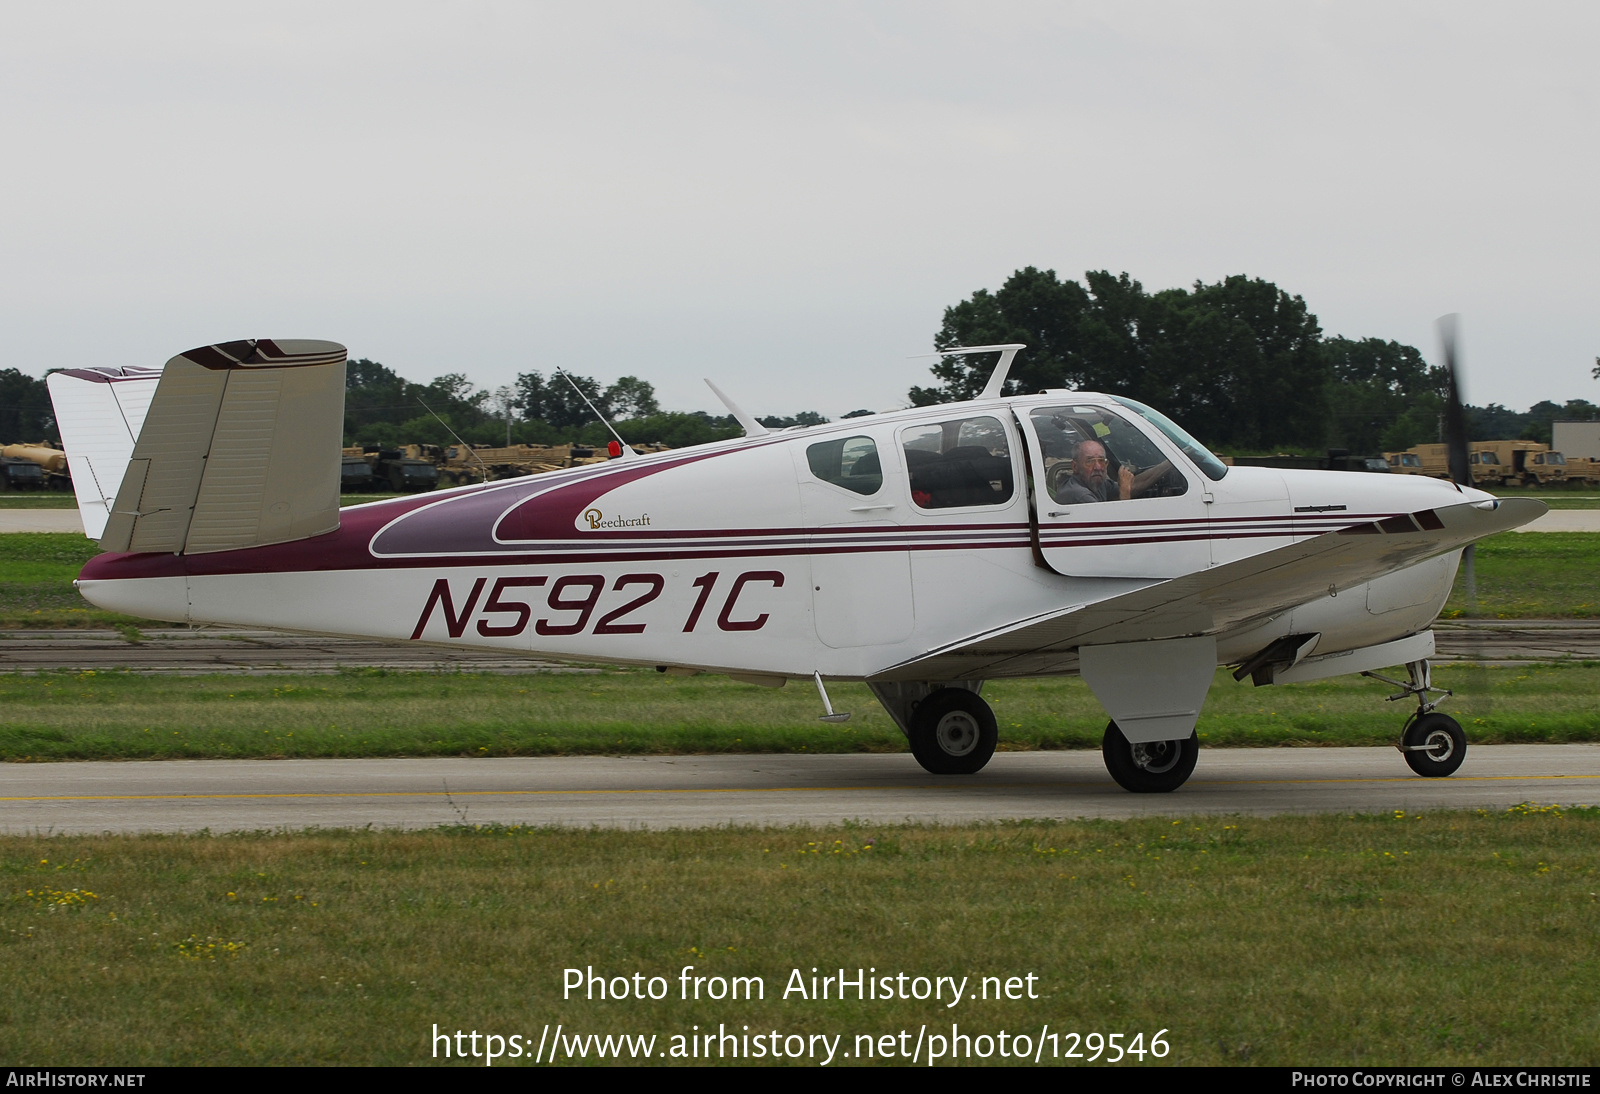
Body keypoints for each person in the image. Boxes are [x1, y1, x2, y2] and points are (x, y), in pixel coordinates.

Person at [1053, 439, 1132, 503]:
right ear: (1075, 466)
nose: (1098, 467)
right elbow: (1109, 522)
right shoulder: (1079, 494)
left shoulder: (1095, 482)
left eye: (1101, 461)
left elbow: (1127, 486)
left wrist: (1144, 478)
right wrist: (1125, 494)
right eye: (1090, 461)